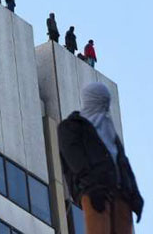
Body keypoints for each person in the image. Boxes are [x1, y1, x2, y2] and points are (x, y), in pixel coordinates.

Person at [58, 83, 143, 233]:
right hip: (95, 192)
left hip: (121, 194)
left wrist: (134, 195)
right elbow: (75, 160)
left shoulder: (110, 133)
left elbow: (123, 164)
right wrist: (91, 186)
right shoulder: (72, 127)